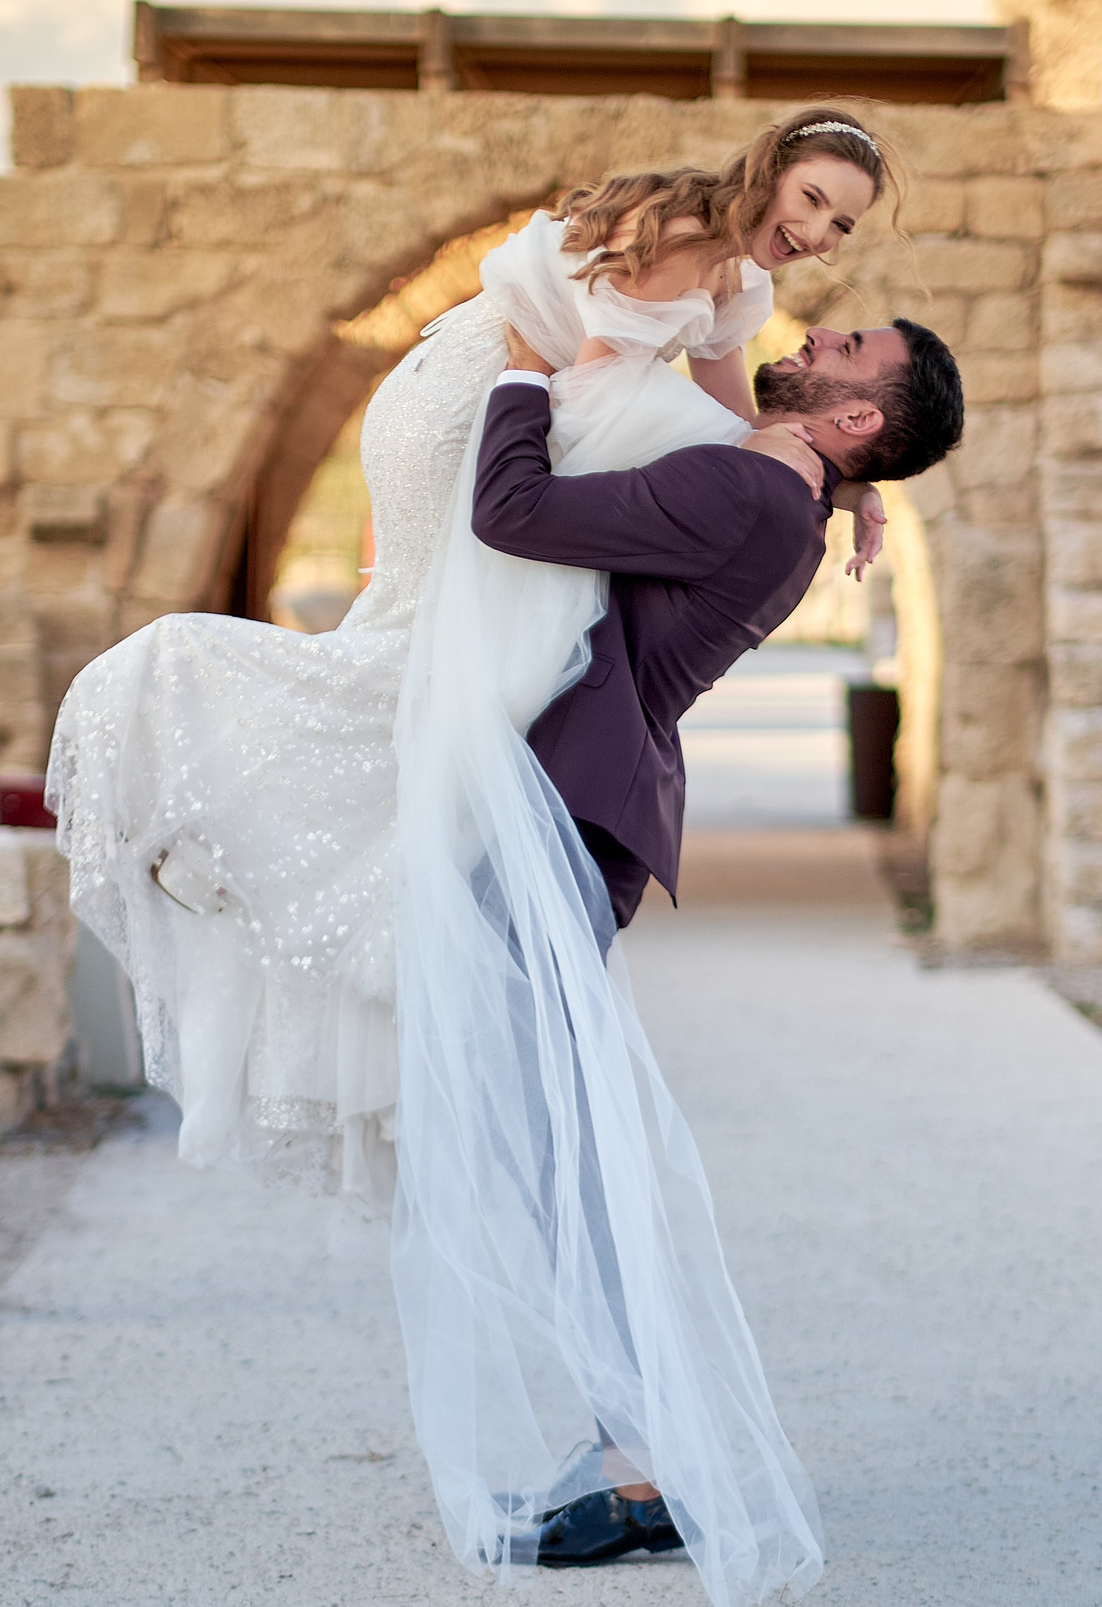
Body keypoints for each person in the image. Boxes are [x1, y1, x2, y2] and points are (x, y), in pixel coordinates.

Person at [47, 108, 893, 1208]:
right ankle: (209, 784)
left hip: (523, 391)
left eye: (844, 223)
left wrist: (834, 476)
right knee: (435, 667)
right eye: (814, 200)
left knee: (449, 676)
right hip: (467, 398)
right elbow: (591, 398)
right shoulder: (679, 238)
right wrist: (763, 481)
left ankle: (262, 832)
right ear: (772, 172)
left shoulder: (741, 284)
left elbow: (732, 421)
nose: (823, 231)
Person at [386, 314, 962, 1596]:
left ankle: (648, 1469)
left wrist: (527, 370)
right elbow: (712, 387)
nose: (814, 326)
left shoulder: (744, 489)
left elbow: (513, 514)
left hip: (562, 815)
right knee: (552, 1145)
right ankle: (639, 1448)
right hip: (588, 808)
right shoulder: (783, 489)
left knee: (559, 1156)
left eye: (846, 342)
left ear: (856, 416)